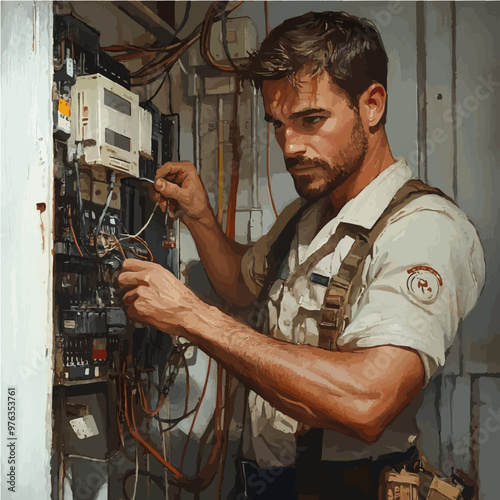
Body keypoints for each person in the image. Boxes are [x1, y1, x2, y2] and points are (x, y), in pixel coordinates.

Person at [117, 11, 485, 499]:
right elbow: (239, 284)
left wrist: (193, 318)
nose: (289, 146)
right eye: (278, 124)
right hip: (268, 483)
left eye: (311, 120)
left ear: (371, 105)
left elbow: (369, 403)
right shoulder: (306, 214)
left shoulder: (426, 230)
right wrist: (201, 216)